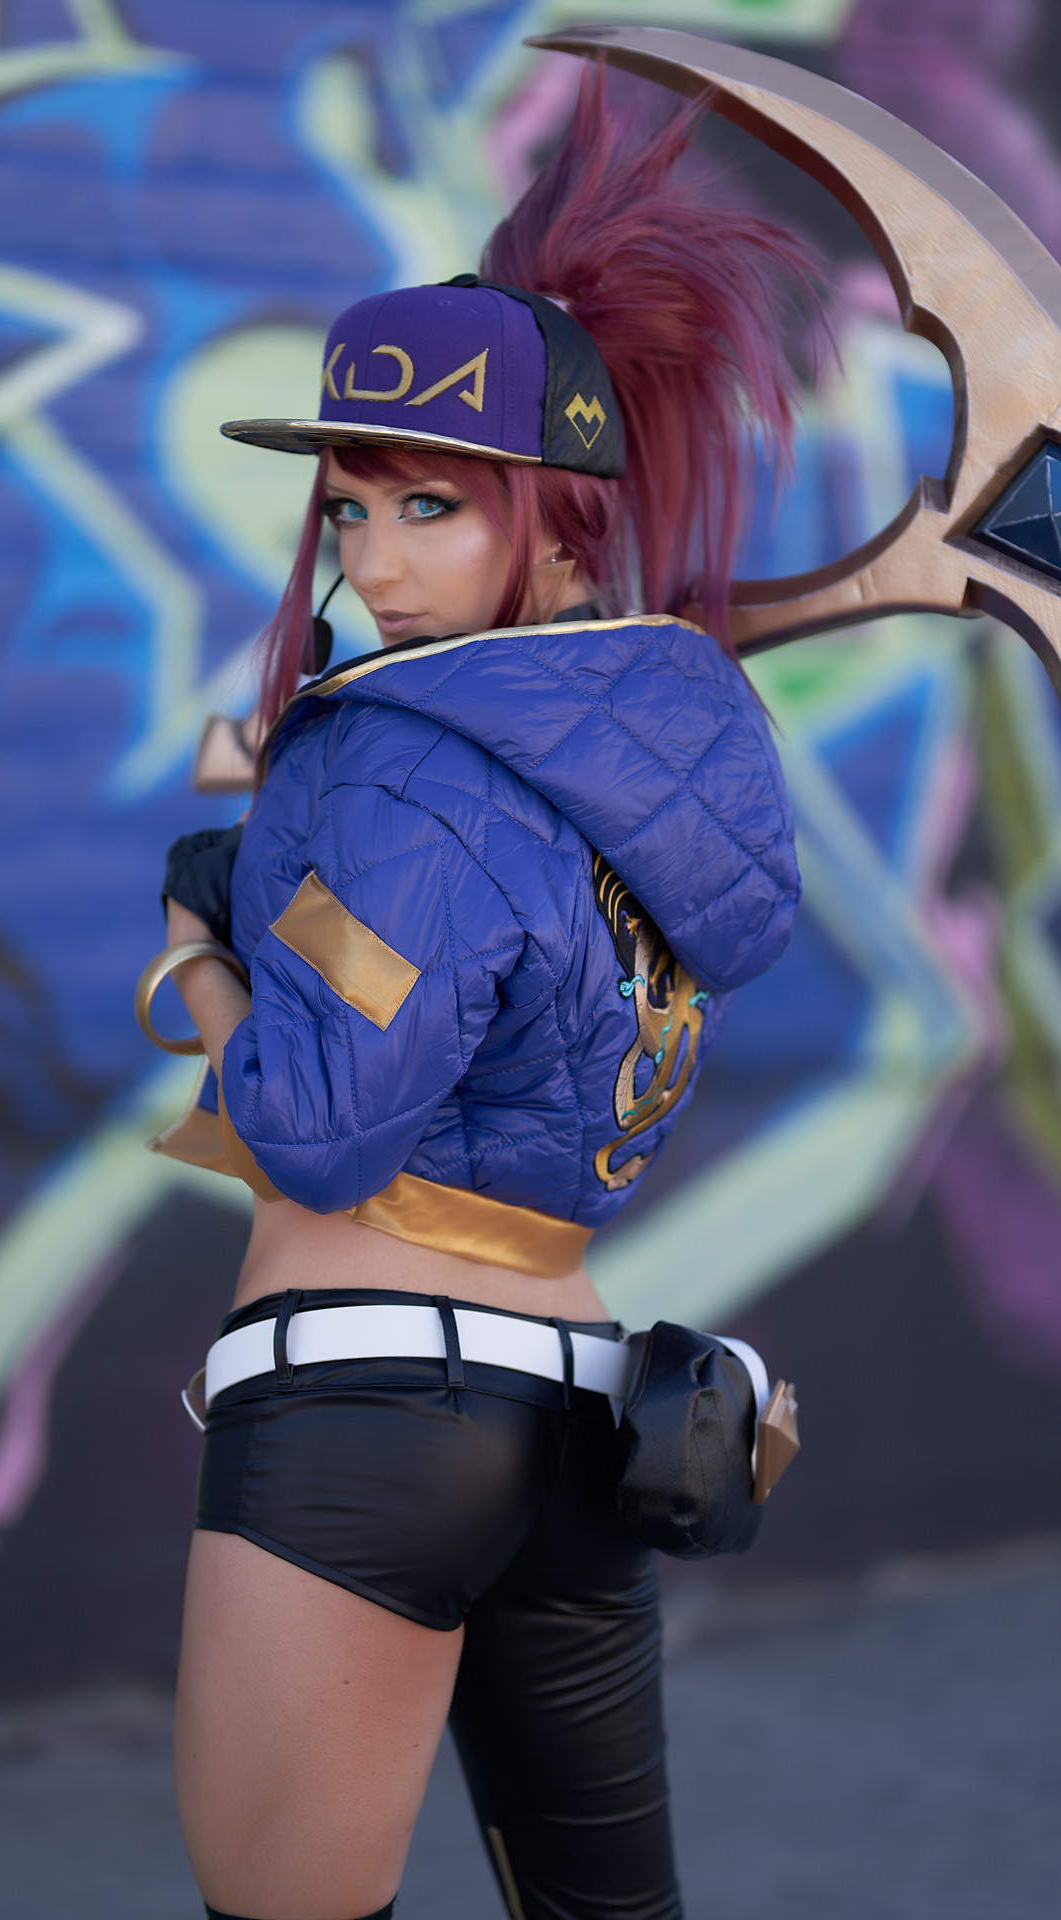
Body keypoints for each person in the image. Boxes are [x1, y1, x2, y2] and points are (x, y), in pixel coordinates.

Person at [150, 66, 816, 1920]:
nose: (370, 566)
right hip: (579, 1406)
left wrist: (205, 952)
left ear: (566, 527)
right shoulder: (656, 784)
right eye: (348, 512)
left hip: (368, 1416)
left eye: (429, 507)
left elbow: (316, 1132)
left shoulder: (398, 759)